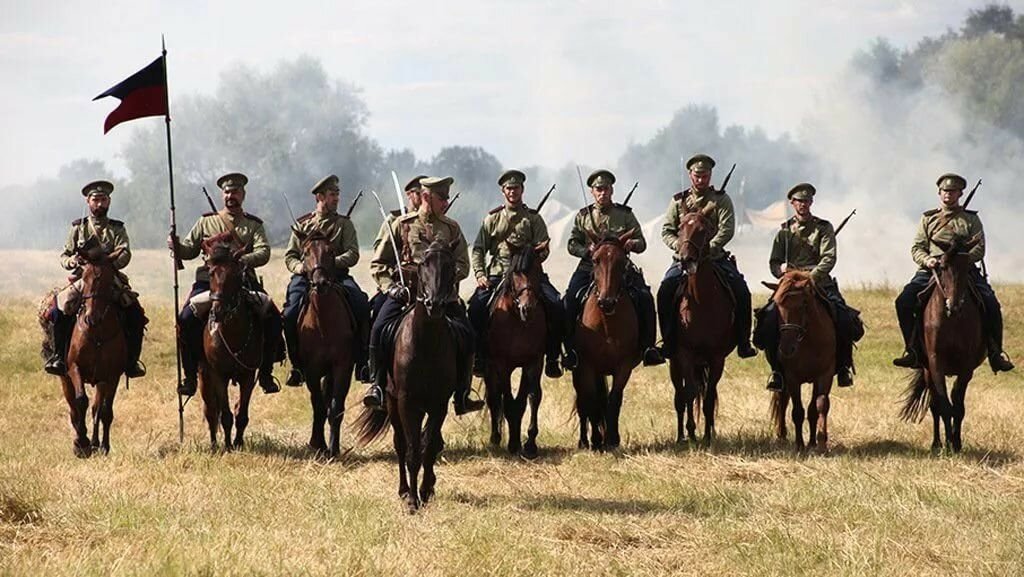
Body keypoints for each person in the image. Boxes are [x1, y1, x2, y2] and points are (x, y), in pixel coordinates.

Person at [363, 176, 485, 415]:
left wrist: (444, 277)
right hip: (405, 295)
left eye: (448, 197)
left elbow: (463, 265)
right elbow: (379, 263)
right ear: (427, 197)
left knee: (468, 335)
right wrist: (391, 288)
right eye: (442, 198)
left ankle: (463, 392)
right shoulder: (402, 224)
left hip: (443, 297)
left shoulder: (452, 228)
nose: (446, 202)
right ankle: (377, 386)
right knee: (378, 328)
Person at [168, 172, 282, 396]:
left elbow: (264, 251)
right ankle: (190, 376)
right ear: (222, 195)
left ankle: (266, 372)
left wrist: (242, 260)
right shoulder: (206, 222)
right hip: (208, 283)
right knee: (186, 319)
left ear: (243, 194)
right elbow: (189, 250)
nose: (231, 196)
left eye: (235, 192)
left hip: (243, 281)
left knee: (272, 315)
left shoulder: (253, 225)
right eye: (227, 192)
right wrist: (176, 245)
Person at [893, 173, 1013, 372]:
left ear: (960, 193)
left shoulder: (971, 219)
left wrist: (961, 261)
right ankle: (912, 349)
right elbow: (917, 247)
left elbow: (979, 248)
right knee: (904, 301)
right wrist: (928, 260)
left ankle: (995, 352)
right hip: (932, 269)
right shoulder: (929, 218)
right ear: (939, 193)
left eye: (953, 191)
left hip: (962, 269)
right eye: (945, 191)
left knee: (991, 302)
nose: (948, 194)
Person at [755, 183, 863, 390]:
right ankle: (776, 371)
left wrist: (811, 276)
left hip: (819, 283)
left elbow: (829, 258)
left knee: (844, 319)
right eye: (798, 201)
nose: (802, 204)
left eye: (806, 201)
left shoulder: (824, 227)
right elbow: (774, 262)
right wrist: (781, 272)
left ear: (811, 202)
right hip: (791, 285)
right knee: (767, 318)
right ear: (792, 203)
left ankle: (842, 367)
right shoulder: (784, 232)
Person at [656, 154, 757, 359]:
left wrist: (709, 248)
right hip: (683, 259)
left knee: (741, 291)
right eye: (697, 175)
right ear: (690, 175)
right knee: (665, 290)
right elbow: (666, 230)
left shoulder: (721, 199)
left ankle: (743, 342)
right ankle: (666, 342)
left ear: (710, 176)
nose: (701, 179)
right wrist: (680, 246)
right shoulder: (678, 201)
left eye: (705, 175)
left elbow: (727, 230)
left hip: (715, 258)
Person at [562, 169, 664, 369]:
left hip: (620, 269)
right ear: (592, 191)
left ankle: (648, 348)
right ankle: (570, 351)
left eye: (606, 189)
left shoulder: (625, 215)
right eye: (598, 189)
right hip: (588, 268)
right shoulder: (583, 216)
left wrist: (631, 244)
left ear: (611, 190)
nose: (602, 193)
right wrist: (587, 250)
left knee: (644, 297)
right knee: (569, 300)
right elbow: (571, 244)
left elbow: (642, 242)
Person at [44, 180, 147, 378]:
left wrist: (109, 263)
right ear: (88, 202)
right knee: (57, 309)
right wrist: (73, 261)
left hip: (110, 278)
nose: (99, 204)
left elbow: (125, 253)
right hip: (83, 278)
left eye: (103, 200)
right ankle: (59, 356)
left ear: (109, 202)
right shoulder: (78, 227)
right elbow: (64, 256)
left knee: (135, 313)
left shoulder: (117, 228)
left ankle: (132, 362)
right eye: (96, 200)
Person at [467, 169, 564, 379]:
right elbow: (478, 249)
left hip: (528, 274)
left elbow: (544, 247)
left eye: (516, 188)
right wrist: (480, 274)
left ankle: (553, 357)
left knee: (557, 304)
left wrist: (535, 256)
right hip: (498, 273)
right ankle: (479, 357)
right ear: (503, 191)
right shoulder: (492, 219)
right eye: (509, 188)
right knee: (475, 307)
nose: (513, 192)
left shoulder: (533, 219)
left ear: (522, 190)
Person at [281, 175, 371, 386]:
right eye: (332, 195)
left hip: (337, 277)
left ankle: (362, 362)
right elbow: (290, 256)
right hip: (306, 277)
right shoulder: (303, 225)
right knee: (290, 312)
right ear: (319, 197)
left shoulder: (344, 225)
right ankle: (296, 366)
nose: (336, 199)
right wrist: (302, 267)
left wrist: (330, 262)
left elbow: (353, 253)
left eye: (337, 195)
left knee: (361, 304)